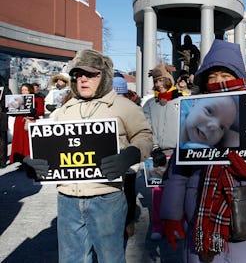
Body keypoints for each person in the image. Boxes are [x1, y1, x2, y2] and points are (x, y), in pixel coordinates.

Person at [160, 39, 246, 262]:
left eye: (225, 76)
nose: (219, 82)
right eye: (212, 77)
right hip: (201, 209)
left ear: (238, 76)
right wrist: (171, 214)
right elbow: (178, 170)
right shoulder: (194, 109)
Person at [23, 49, 153, 263]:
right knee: (71, 259)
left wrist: (130, 154)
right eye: (77, 74)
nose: (82, 79)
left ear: (104, 76)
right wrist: (33, 163)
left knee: (110, 258)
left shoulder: (123, 106)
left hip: (106, 196)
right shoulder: (64, 110)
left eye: (90, 74)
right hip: (68, 198)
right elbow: (48, 143)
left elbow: (145, 136)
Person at [143, 63, 184, 241]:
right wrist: (154, 148)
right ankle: (158, 225)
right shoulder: (150, 104)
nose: (158, 84)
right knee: (157, 193)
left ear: (168, 80)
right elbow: (146, 127)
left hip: (178, 153)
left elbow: (188, 126)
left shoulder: (182, 100)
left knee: (178, 192)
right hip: (159, 154)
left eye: (161, 79)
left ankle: (177, 225)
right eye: (155, 80)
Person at [113, 75, 138, 239]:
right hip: (123, 159)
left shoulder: (130, 108)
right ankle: (126, 222)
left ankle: (125, 222)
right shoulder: (133, 107)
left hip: (123, 158)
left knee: (121, 193)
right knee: (127, 192)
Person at [9, 83, 44, 165]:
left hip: (29, 121)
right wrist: (11, 111)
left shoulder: (37, 98)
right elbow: (14, 108)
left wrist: (35, 112)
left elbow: (41, 111)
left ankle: (29, 160)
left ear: (30, 90)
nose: (24, 91)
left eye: (26, 90)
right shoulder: (17, 98)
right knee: (19, 142)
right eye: (22, 90)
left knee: (28, 142)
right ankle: (20, 160)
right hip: (19, 122)